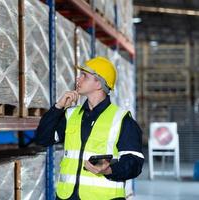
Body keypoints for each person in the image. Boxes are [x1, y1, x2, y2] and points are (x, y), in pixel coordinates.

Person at [35, 57, 144, 200]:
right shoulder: (71, 114)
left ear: (98, 83)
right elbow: (42, 139)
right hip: (66, 196)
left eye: (84, 75)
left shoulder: (122, 120)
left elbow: (134, 162)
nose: (78, 79)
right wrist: (58, 107)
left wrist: (109, 169)